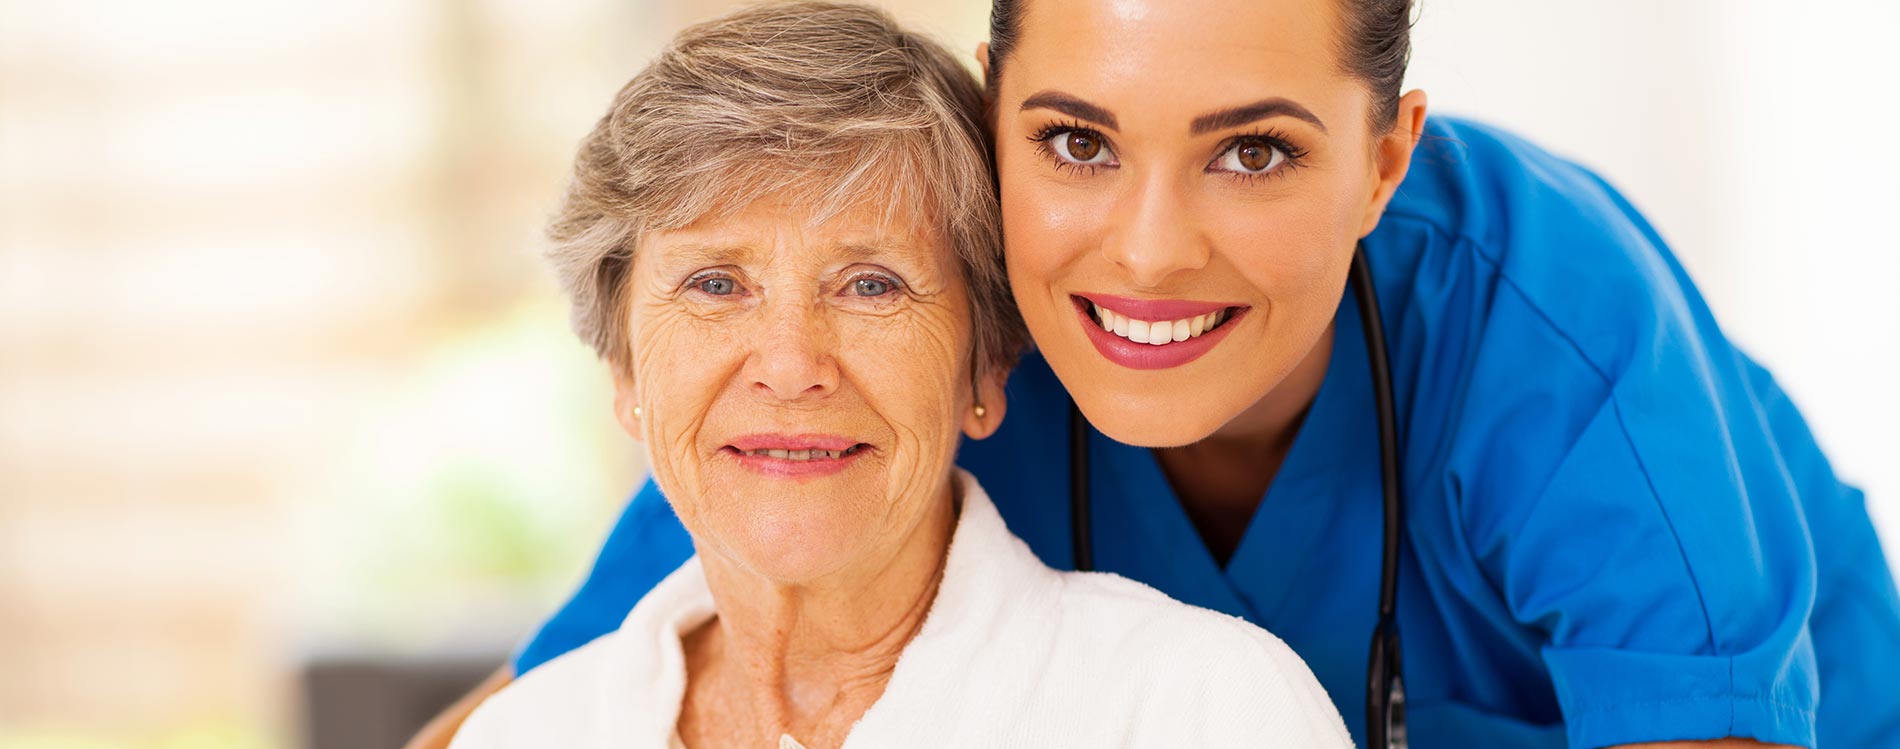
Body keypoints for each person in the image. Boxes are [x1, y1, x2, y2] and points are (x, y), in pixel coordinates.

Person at [412, 0, 1900, 747]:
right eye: (1075, 141)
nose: (1147, 249)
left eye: (1254, 151)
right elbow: (571, 690)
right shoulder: (907, 345)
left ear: (1387, 157)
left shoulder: (1547, 330)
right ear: (1000, 119)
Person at [444, 4, 1355, 747]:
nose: (791, 365)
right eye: (716, 283)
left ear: (985, 368)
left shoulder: (1198, 710)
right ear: (623, 367)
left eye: (872, 284)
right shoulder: (528, 731)